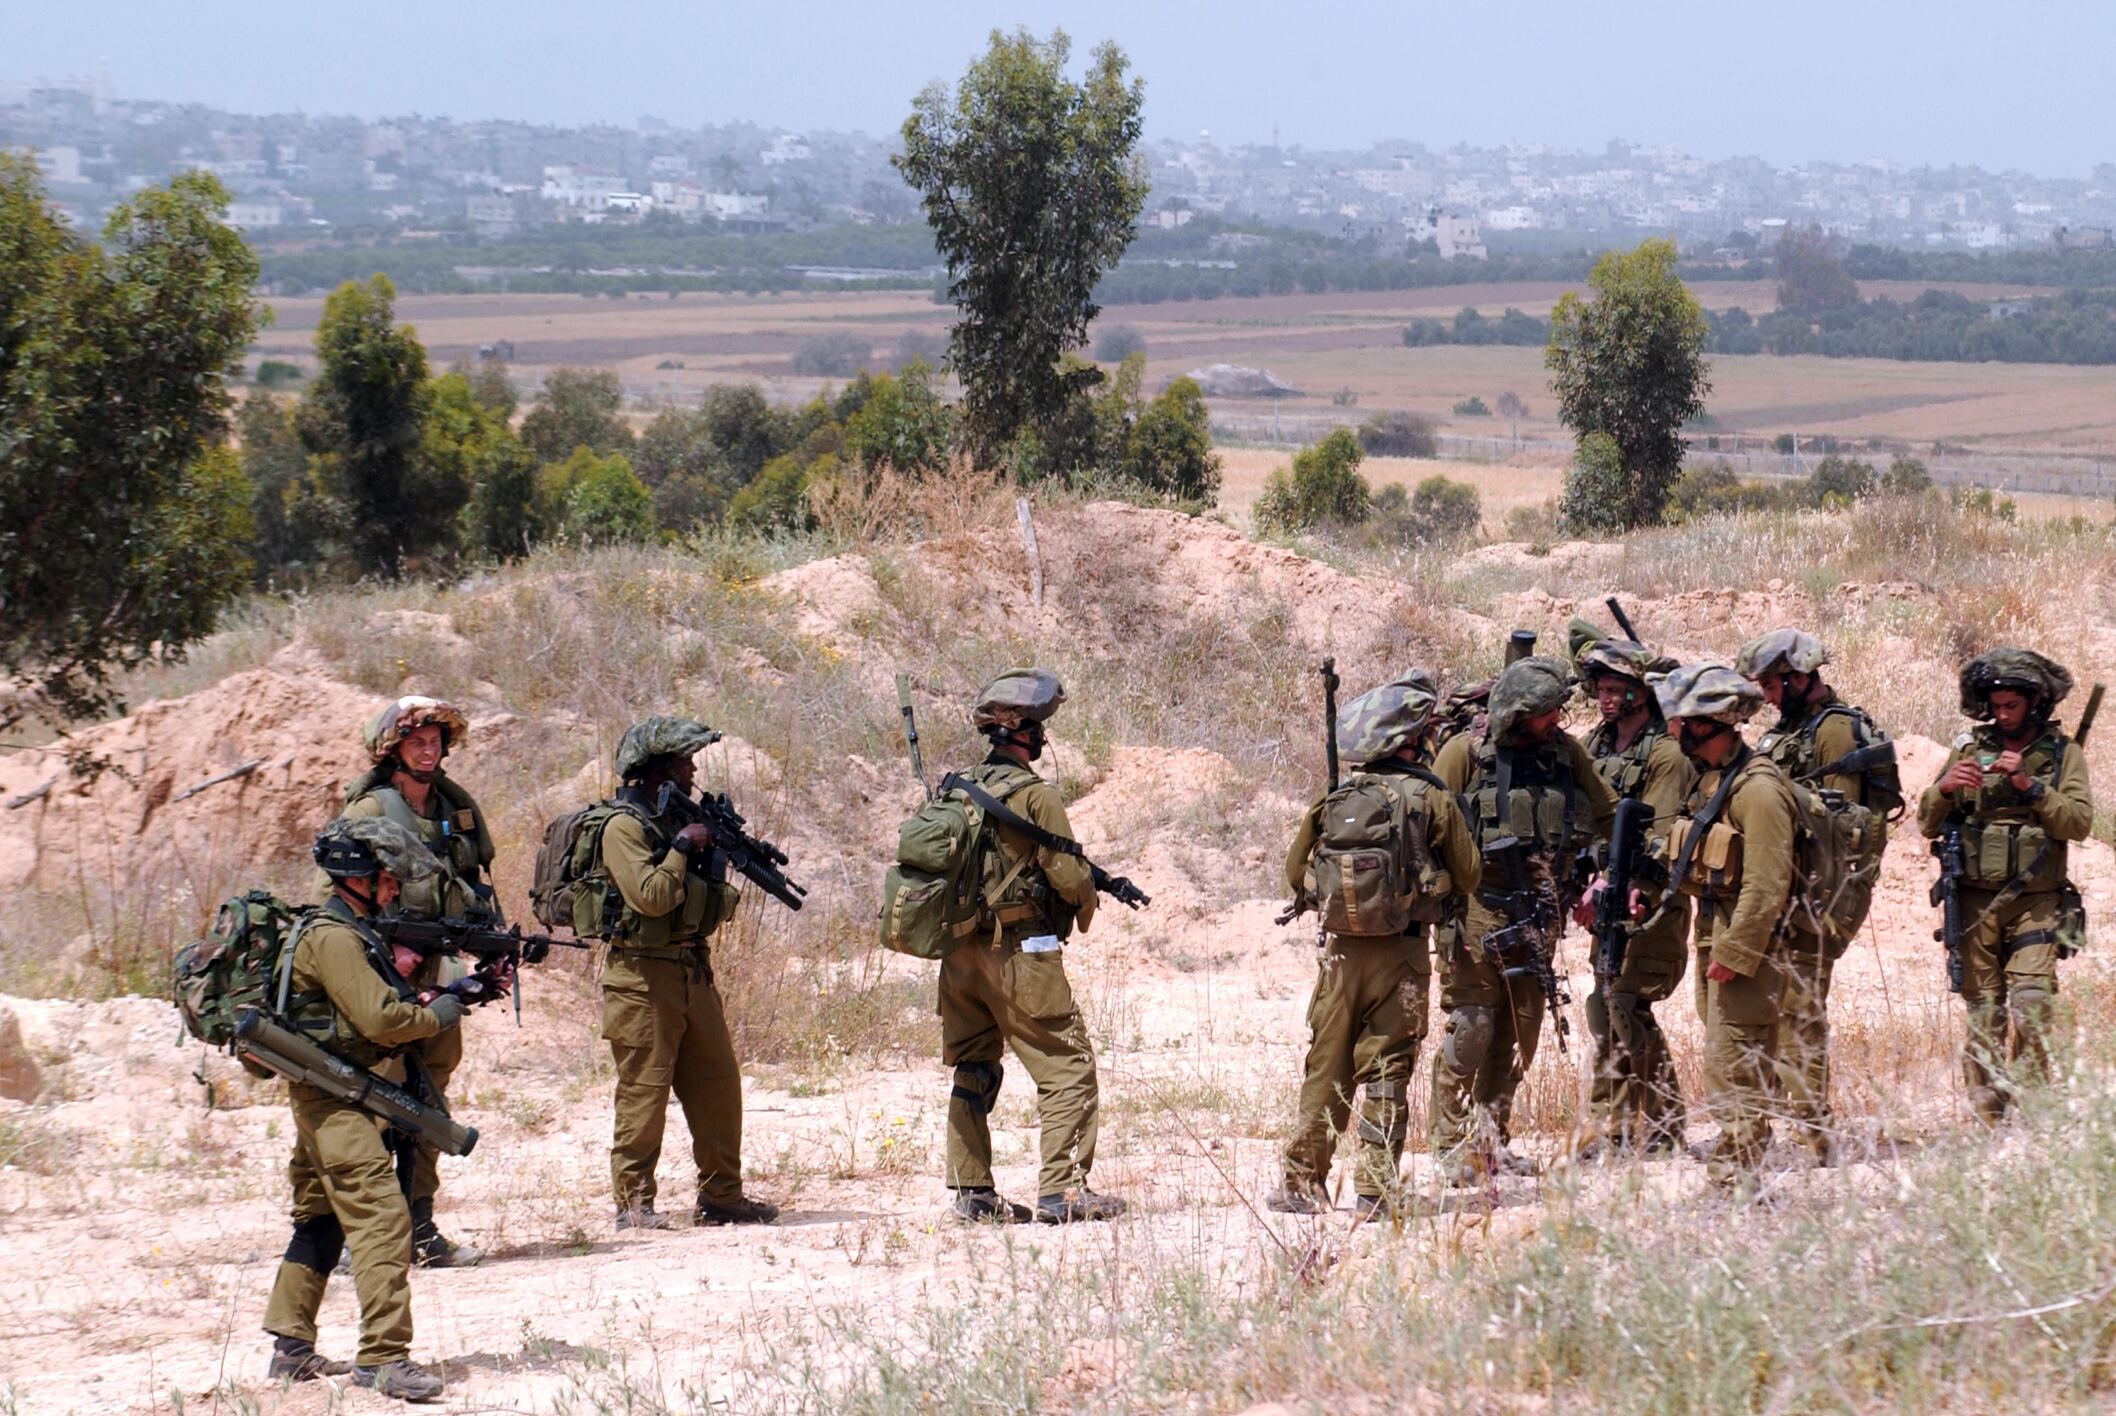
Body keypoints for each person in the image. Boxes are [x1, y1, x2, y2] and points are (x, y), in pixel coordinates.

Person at [262, 819, 462, 1403]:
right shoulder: (334, 937)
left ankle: (291, 1347)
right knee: (381, 1218)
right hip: (334, 1099)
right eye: (387, 878)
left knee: (322, 1216)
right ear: (360, 878)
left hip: (331, 1093)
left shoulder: (345, 930)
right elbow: (380, 1020)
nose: (394, 888)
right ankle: (383, 1357)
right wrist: (439, 1014)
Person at [1268, 671, 1480, 1218]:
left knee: (1327, 1065)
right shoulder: (1431, 796)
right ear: (1413, 739)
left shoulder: (1336, 794)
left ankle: (1301, 1182)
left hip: (1338, 957)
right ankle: (1374, 1191)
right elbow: (1471, 873)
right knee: (1387, 1069)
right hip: (1403, 956)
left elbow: (1296, 869)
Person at [940, 668, 1127, 1224]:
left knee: (974, 1068)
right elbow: (1069, 877)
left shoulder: (957, 788)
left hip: (959, 958)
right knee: (1068, 1066)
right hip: (1020, 953)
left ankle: (972, 1192)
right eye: (1038, 727)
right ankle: (1063, 1191)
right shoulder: (1036, 796)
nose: (1044, 737)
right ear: (1018, 731)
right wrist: (1088, 902)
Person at [582, 716, 778, 1230]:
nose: (693, 768)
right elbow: (649, 897)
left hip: (692, 970)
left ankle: (722, 1198)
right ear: (656, 772)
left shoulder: (673, 821)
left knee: (718, 1085)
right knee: (644, 1091)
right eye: (682, 761)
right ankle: (633, 1203)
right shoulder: (623, 826)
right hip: (642, 980)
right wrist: (682, 848)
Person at [1429, 655, 1617, 1183]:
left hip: (1541, 914)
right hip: (1479, 911)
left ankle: (1488, 1143)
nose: (1557, 720)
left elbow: (1608, 814)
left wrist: (1604, 875)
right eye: (1546, 713)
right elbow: (1429, 827)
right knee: (1473, 1027)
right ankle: (1449, 1146)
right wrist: (1444, 915)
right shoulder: (1463, 753)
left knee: (1521, 1034)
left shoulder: (1565, 753)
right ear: (1517, 714)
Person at [335, 695, 496, 1266]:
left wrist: (489, 949)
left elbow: (473, 889)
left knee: (430, 1099)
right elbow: (341, 898)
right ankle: (369, 1238)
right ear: (392, 749)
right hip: (381, 973)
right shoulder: (370, 812)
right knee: (379, 1097)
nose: (428, 751)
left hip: (441, 970)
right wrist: (384, 958)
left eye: (435, 742)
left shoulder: (454, 808)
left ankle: (420, 1225)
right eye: (416, 742)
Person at [1734, 630, 1899, 1162]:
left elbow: (1839, 830)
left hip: (1819, 893)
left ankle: (1814, 1134)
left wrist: (1817, 905)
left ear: (1799, 677)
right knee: (1780, 1006)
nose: (1768, 697)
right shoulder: (1790, 730)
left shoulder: (1832, 732)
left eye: (1772, 685)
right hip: (1789, 884)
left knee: (1801, 1008)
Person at [1918, 648, 2096, 1122]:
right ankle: (1988, 1116)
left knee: (2033, 1005)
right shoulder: (1970, 749)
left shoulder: (2062, 755)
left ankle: (2033, 1106)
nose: (2001, 715)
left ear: (2035, 703)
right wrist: (1945, 789)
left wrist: (2029, 786)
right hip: (1975, 901)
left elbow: (2078, 822)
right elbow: (1926, 822)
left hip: (2036, 900)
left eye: (2011, 706)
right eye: (1995, 706)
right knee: (1984, 1015)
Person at [1656, 664, 1799, 1192]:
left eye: (1687, 724)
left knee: (1735, 1065)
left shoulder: (1758, 791)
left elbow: (1767, 885)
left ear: (1712, 726)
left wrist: (1737, 954)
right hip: (1717, 936)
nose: (1677, 733)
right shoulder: (1716, 781)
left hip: (1749, 950)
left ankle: (1736, 1183)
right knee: (1726, 1058)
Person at [1574, 636, 1694, 1157]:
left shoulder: (1666, 755)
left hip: (1649, 898)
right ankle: (1624, 1128)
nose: (1605, 696)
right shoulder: (1595, 746)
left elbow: (1660, 841)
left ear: (1642, 694)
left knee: (1621, 1005)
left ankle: (1654, 1125)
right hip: (1604, 900)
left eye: (1616, 687)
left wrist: (1626, 887)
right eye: (1600, 686)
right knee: (1610, 1008)